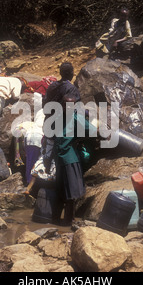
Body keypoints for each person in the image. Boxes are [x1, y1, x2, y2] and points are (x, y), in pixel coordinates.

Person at [54, 94, 97, 226]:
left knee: (61, 190)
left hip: (59, 158)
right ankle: (69, 220)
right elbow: (93, 131)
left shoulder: (57, 117)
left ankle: (55, 219)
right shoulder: (75, 117)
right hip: (70, 158)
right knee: (72, 191)